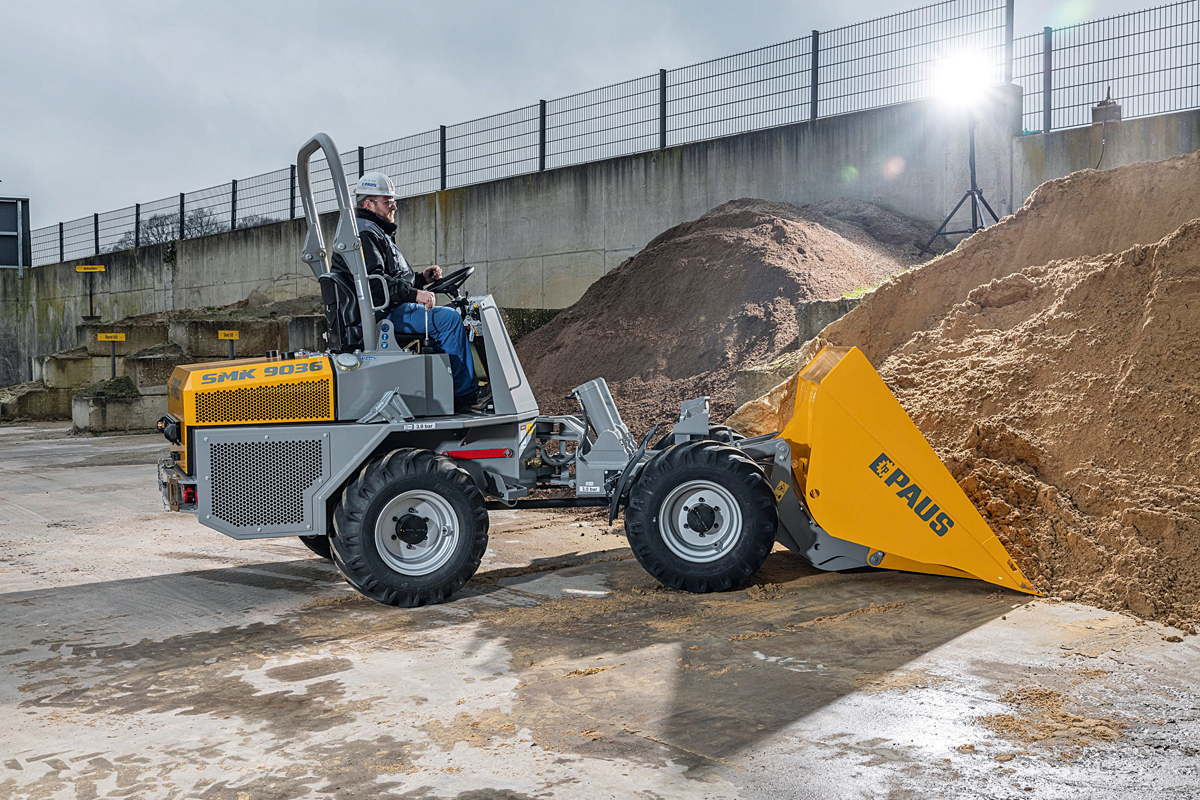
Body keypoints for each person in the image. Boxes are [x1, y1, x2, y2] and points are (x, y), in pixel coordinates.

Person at [341, 172, 478, 411]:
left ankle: (446, 386)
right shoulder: (364, 235)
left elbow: (389, 279)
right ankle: (462, 395)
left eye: (393, 200)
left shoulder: (374, 231)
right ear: (368, 204)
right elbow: (375, 284)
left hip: (385, 308)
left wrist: (420, 279)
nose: (394, 206)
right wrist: (416, 294)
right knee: (448, 320)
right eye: (387, 201)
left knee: (443, 319)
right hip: (380, 315)